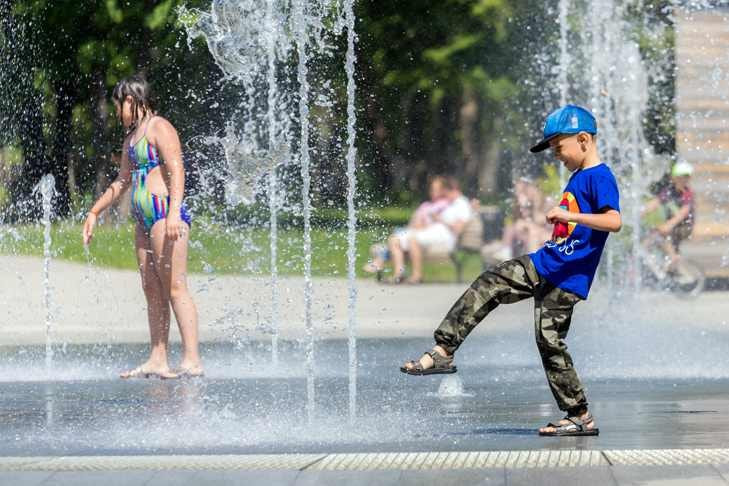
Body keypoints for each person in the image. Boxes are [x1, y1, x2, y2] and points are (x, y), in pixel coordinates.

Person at [400, 105, 622, 437]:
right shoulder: (578, 177)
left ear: (584, 139)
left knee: (549, 341)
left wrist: (569, 216)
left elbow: (614, 221)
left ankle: (579, 416)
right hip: (548, 263)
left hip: (567, 276)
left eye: (559, 147)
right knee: (493, 284)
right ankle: (444, 351)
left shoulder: (600, 177)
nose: (556, 156)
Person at [82, 74, 203, 379]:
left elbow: (177, 169)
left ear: (131, 101)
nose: (117, 113)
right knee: (151, 289)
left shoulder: (159, 127)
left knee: (175, 287)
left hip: (164, 215)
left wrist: (175, 213)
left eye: (118, 106)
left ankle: (191, 359)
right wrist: (94, 212)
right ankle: (158, 357)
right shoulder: (130, 140)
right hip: (143, 221)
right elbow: (123, 180)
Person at [387, 176, 473, 284]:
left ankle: (417, 276)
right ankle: (399, 274)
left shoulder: (462, 204)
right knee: (396, 239)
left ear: (454, 189)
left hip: (446, 236)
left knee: (413, 239)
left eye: (445, 191)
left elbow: (458, 229)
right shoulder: (451, 204)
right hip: (435, 232)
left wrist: (439, 219)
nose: (443, 194)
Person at [642, 161, 695, 273]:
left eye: (686, 177)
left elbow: (684, 212)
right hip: (673, 225)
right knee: (650, 239)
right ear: (673, 178)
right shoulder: (669, 191)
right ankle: (666, 264)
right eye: (680, 177)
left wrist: (669, 225)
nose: (683, 180)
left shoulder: (687, 193)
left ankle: (674, 257)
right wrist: (641, 212)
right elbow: (655, 202)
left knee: (661, 236)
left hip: (684, 226)